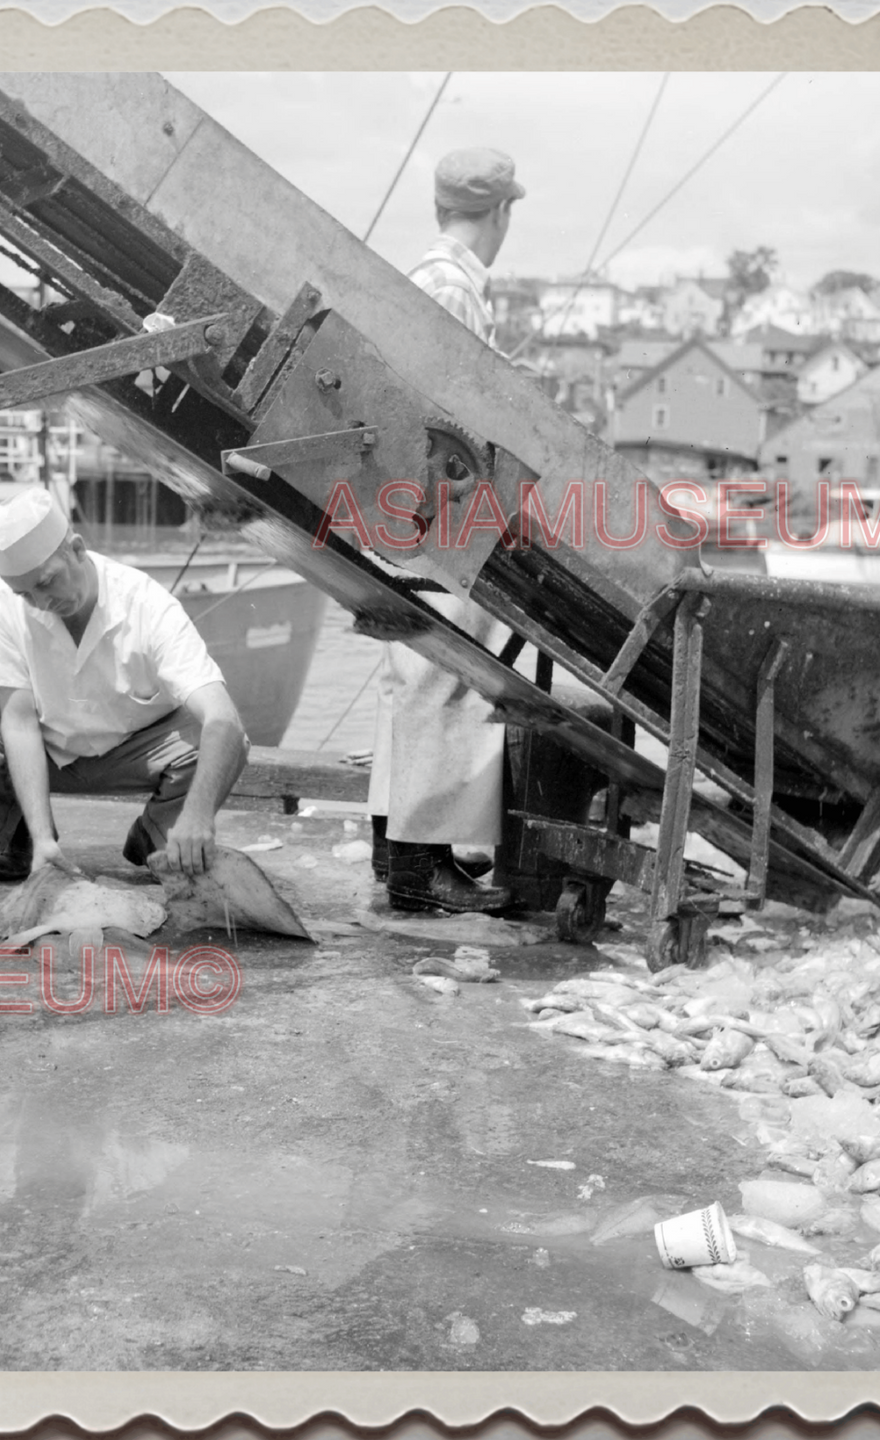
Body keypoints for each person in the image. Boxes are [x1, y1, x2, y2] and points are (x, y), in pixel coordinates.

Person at [0, 489, 249, 882]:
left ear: (76, 548)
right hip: (48, 744)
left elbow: (223, 718)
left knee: (227, 740)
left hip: (137, 750)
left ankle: (159, 835)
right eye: (25, 594)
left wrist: (198, 816)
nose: (42, 601)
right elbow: (19, 722)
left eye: (48, 582)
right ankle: (23, 843)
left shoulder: (146, 603)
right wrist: (43, 838)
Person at [369, 148, 524, 914]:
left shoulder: (423, 279)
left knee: (411, 677)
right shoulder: (454, 289)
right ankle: (417, 865)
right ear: (502, 212)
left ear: (437, 209)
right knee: (445, 675)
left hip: (407, 506)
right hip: (444, 511)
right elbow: (453, 414)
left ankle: (392, 846)